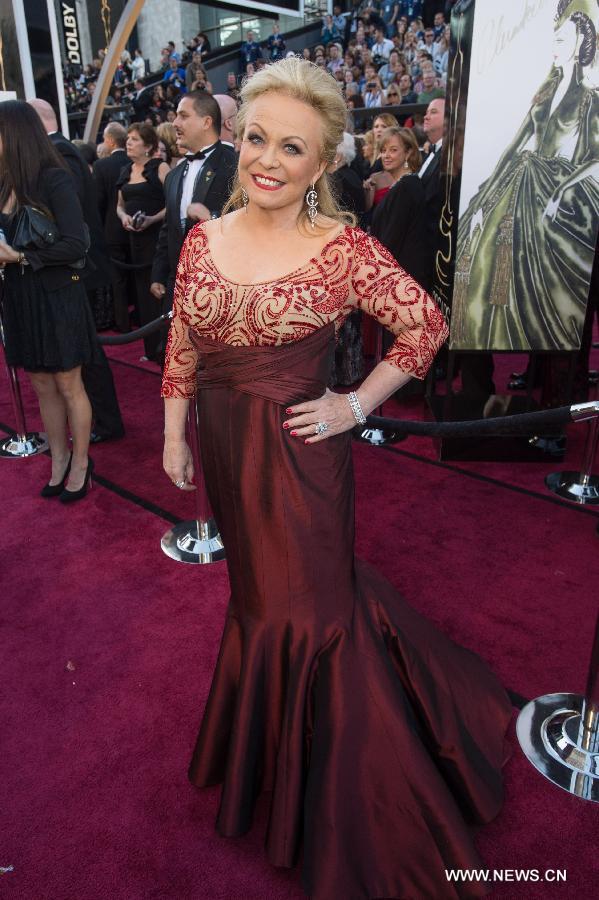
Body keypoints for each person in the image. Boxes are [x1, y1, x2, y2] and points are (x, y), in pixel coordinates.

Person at [160, 57, 511, 900]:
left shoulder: (343, 248)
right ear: (236, 139)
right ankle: (280, 763)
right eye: (254, 139)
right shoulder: (203, 238)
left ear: (321, 165)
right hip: (222, 451)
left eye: (291, 147)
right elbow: (182, 339)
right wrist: (172, 432)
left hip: (300, 461)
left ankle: (346, 790)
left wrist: (356, 405)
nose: (267, 160)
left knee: (311, 615)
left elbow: (424, 327)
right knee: (256, 606)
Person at [0, 101, 95, 501]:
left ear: (15, 135)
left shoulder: (53, 178)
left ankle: (82, 463)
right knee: (40, 383)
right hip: (19, 294)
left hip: (56, 292)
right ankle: (57, 459)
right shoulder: (4, 182)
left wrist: (21, 256)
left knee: (68, 382)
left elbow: (76, 243)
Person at [30, 99, 125, 442]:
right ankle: (101, 420)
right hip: (73, 266)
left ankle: (107, 422)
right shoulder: (59, 150)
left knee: (88, 354)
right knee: (85, 353)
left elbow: (69, 218)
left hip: (77, 267)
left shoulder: (61, 153)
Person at [150, 91, 237, 314]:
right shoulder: (173, 175)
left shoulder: (236, 167)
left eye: (183, 116)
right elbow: (168, 228)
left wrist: (212, 217)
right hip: (177, 289)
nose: (175, 123)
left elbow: (253, 219)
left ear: (207, 122)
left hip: (222, 289)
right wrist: (158, 274)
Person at [116, 123, 170, 361]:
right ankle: (151, 350)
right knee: (142, 296)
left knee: (158, 292)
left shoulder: (161, 168)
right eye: (128, 138)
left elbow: (174, 202)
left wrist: (152, 219)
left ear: (148, 146)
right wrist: (124, 218)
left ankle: (166, 349)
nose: (128, 142)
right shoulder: (125, 170)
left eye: (135, 139)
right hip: (134, 241)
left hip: (157, 240)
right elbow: (118, 206)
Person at [371, 127, 430, 285]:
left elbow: (391, 240)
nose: (386, 155)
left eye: (393, 150)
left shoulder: (406, 187)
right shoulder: (402, 185)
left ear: (408, 153)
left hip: (401, 281)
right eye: (383, 150)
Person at [93, 122, 130, 333]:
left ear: (109, 140)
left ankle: (122, 322)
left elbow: (97, 202)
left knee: (118, 280)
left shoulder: (101, 166)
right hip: (137, 229)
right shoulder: (133, 162)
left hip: (111, 231)